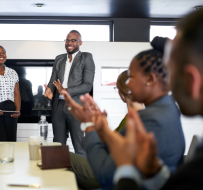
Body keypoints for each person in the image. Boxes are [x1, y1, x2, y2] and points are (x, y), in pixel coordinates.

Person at [62, 36, 185, 190]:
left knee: (59, 157)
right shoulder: (169, 109)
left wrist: (89, 125)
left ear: (150, 79)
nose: (128, 84)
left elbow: (105, 173)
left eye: (131, 77)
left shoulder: (150, 120)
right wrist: (102, 128)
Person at [99, 9, 203, 190]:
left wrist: (126, 170)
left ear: (192, 81)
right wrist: (156, 173)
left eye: (170, 73)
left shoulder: (195, 173)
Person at [68, 70, 144, 190]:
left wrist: (89, 126)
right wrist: (102, 128)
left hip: (106, 171)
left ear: (122, 93)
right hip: (108, 165)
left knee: (63, 156)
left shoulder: (134, 120)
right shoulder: (136, 116)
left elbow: (113, 150)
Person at [44, 30, 95, 156]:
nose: (69, 43)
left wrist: (65, 91)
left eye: (73, 40)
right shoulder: (59, 58)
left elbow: (88, 86)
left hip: (76, 105)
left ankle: (82, 175)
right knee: (58, 143)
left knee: (79, 144)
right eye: (67, 40)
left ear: (80, 42)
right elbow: (53, 79)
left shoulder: (86, 57)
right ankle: (59, 172)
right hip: (58, 106)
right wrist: (49, 88)